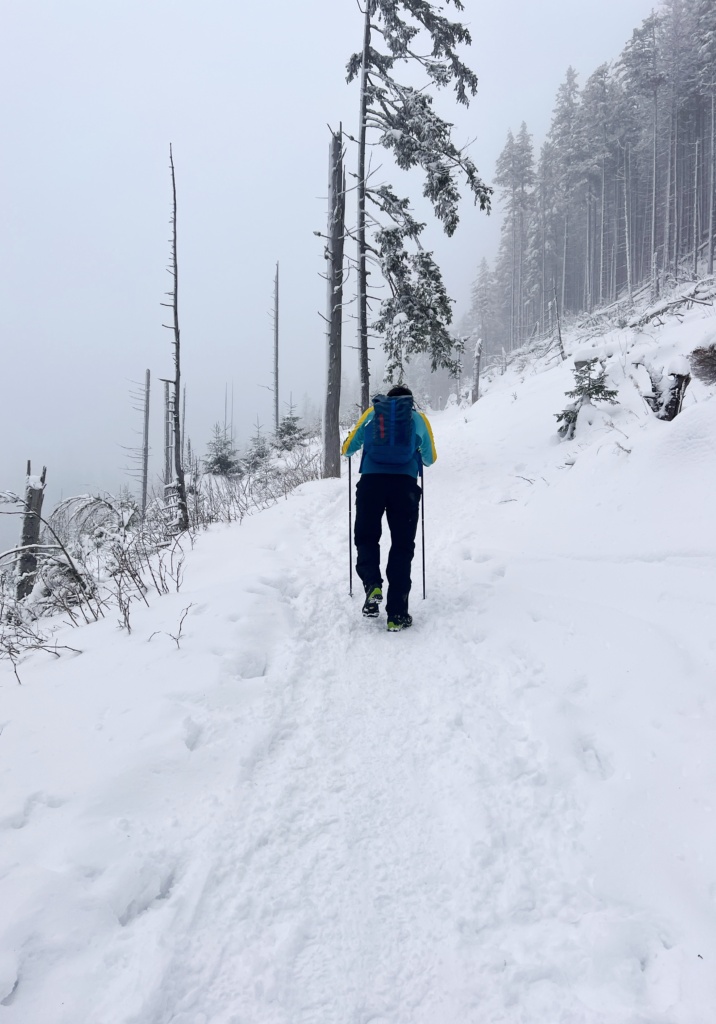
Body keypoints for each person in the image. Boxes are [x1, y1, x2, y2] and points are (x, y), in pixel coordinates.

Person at [341, 384, 437, 631]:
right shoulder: (418, 419)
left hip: (371, 485)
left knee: (367, 538)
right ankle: (397, 614)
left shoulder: (372, 414)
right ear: (409, 402)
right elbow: (430, 459)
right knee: (402, 547)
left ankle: (372, 585)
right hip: (404, 488)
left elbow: (347, 449)